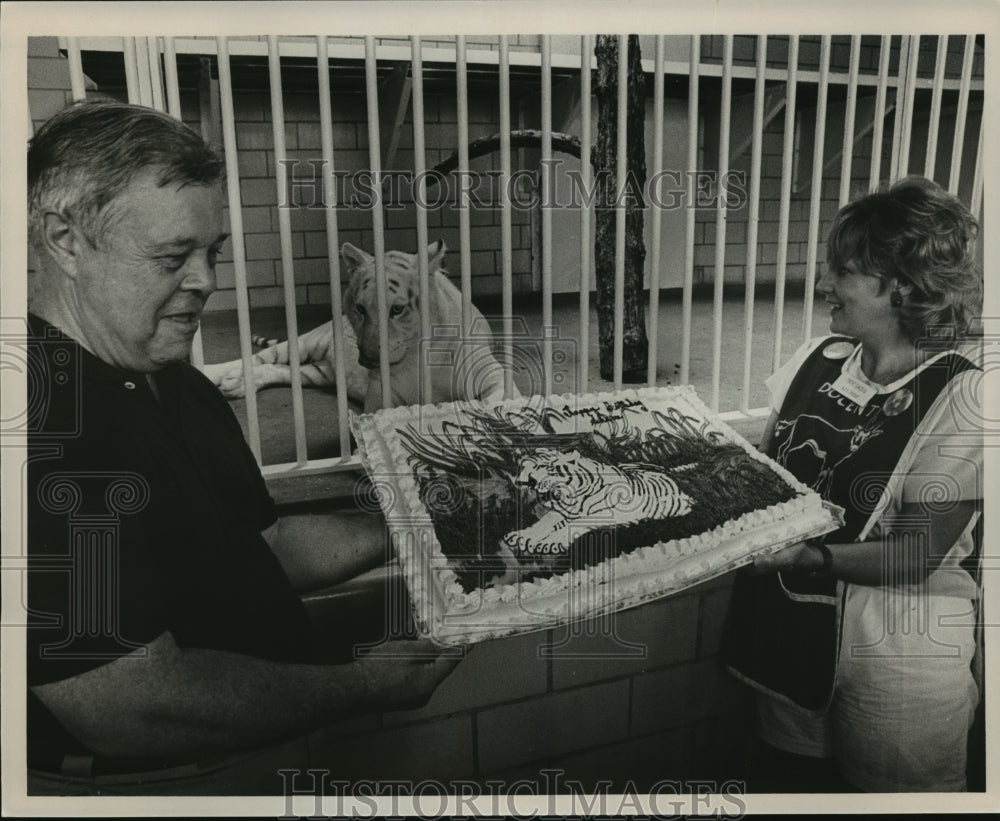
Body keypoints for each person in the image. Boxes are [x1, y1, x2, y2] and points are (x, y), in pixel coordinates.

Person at [24, 99, 460, 790]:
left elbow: (261, 543)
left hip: (256, 753)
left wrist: (416, 523)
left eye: (213, 252)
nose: (206, 281)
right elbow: (133, 705)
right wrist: (362, 686)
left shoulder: (172, 377)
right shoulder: (38, 427)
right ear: (65, 240)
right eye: (173, 256)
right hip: (160, 786)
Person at [723, 176, 984, 792]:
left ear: (902, 286)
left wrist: (810, 558)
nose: (823, 285)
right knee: (793, 785)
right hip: (792, 627)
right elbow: (768, 467)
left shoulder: (967, 395)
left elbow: (917, 553)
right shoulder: (818, 358)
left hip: (898, 652)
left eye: (842, 271)